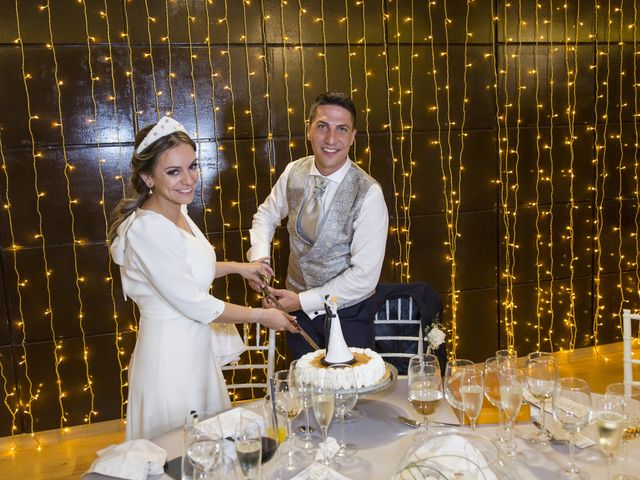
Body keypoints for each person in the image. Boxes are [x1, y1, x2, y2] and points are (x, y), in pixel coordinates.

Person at [108, 116, 298, 440]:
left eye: (192, 166)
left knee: (210, 448)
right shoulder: (146, 229)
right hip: (170, 360)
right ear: (147, 177)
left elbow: (189, 269)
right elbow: (196, 303)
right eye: (173, 171)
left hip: (196, 352)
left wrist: (240, 267)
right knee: (179, 453)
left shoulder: (177, 212)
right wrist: (262, 316)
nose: (189, 179)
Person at [248, 92, 388, 359]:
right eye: (322, 126)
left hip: (349, 315)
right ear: (309, 130)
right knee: (306, 390)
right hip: (298, 316)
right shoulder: (293, 172)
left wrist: (302, 300)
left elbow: (365, 275)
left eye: (341, 129)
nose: (331, 139)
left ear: (352, 137)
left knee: (351, 393)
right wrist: (260, 260)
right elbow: (265, 215)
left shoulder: (369, 193)